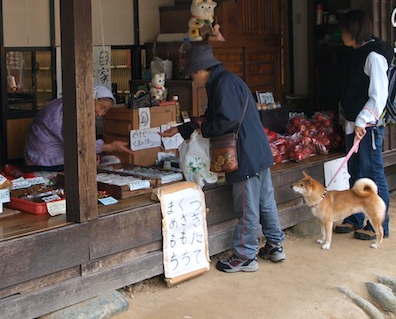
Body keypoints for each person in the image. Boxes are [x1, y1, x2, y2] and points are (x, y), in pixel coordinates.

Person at [161, 45, 285, 272]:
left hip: (244, 153)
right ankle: (275, 244)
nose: (192, 79)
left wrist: (206, 129)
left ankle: (245, 256)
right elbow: (212, 118)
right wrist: (182, 128)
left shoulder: (223, 84)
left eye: (191, 74)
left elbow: (225, 120)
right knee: (265, 200)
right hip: (257, 150)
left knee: (247, 206)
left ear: (201, 70)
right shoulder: (226, 80)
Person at [334, 10, 393, 240]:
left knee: (372, 174)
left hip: (367, 127)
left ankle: (380, 225)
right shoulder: (358, 53)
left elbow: (378, 96)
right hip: (354, 124)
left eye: (344, 30)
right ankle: (355, 217)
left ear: (354, 32)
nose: (341, 34)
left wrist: (362, 121)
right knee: (355, 173)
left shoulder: (374, 56)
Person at [24, 85, 135, 171]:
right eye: (101, 107)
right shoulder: (69, 110)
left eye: (105, 110)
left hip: (42, 155)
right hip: (44, 161)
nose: (101, 113)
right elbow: (78, 144)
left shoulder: (69, 104)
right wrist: (110, 147)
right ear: (92, 98)